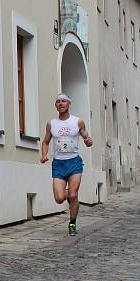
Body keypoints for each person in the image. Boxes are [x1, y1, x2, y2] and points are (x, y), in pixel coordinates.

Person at [40, 94, 93, 236]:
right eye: (58, 101)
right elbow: (45, 141)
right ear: (55, 105)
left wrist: (88, 141)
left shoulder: (78, 122)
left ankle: (72, 223)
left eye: (63, 101)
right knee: (58, 198)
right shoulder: (52, 123)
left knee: (73, 193)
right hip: (58, 164)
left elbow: (86, 137)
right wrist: (44, 155)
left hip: (74, 162)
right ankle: (72, 198)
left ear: (69, 104)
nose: (61, 103)